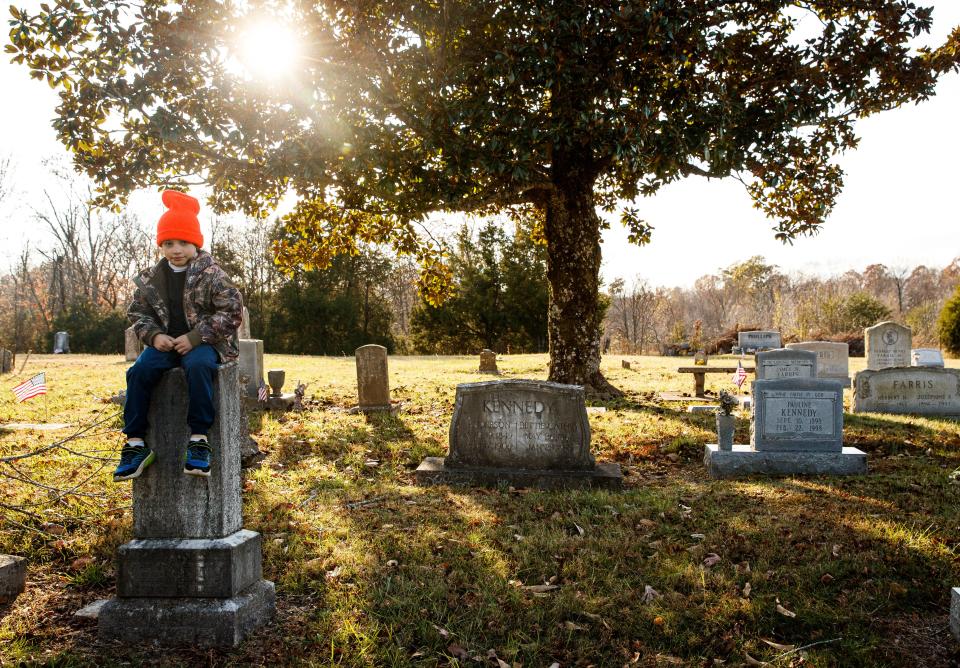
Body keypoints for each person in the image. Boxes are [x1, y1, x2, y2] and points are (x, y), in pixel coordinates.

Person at [113, 189, 242, 481]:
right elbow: (138, 313)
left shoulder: (212, 274)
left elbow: (232, 312)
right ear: (161, 246)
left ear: (195, 243)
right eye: (168, 243)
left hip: (205, 342)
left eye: (184, 242)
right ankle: (135, 443)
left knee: (198, 366)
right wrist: (154, 336)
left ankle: (199, 439)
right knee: (139, 371)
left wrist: (196, 337)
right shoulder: (150, 278)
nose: (177, 249)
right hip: (166, 342)